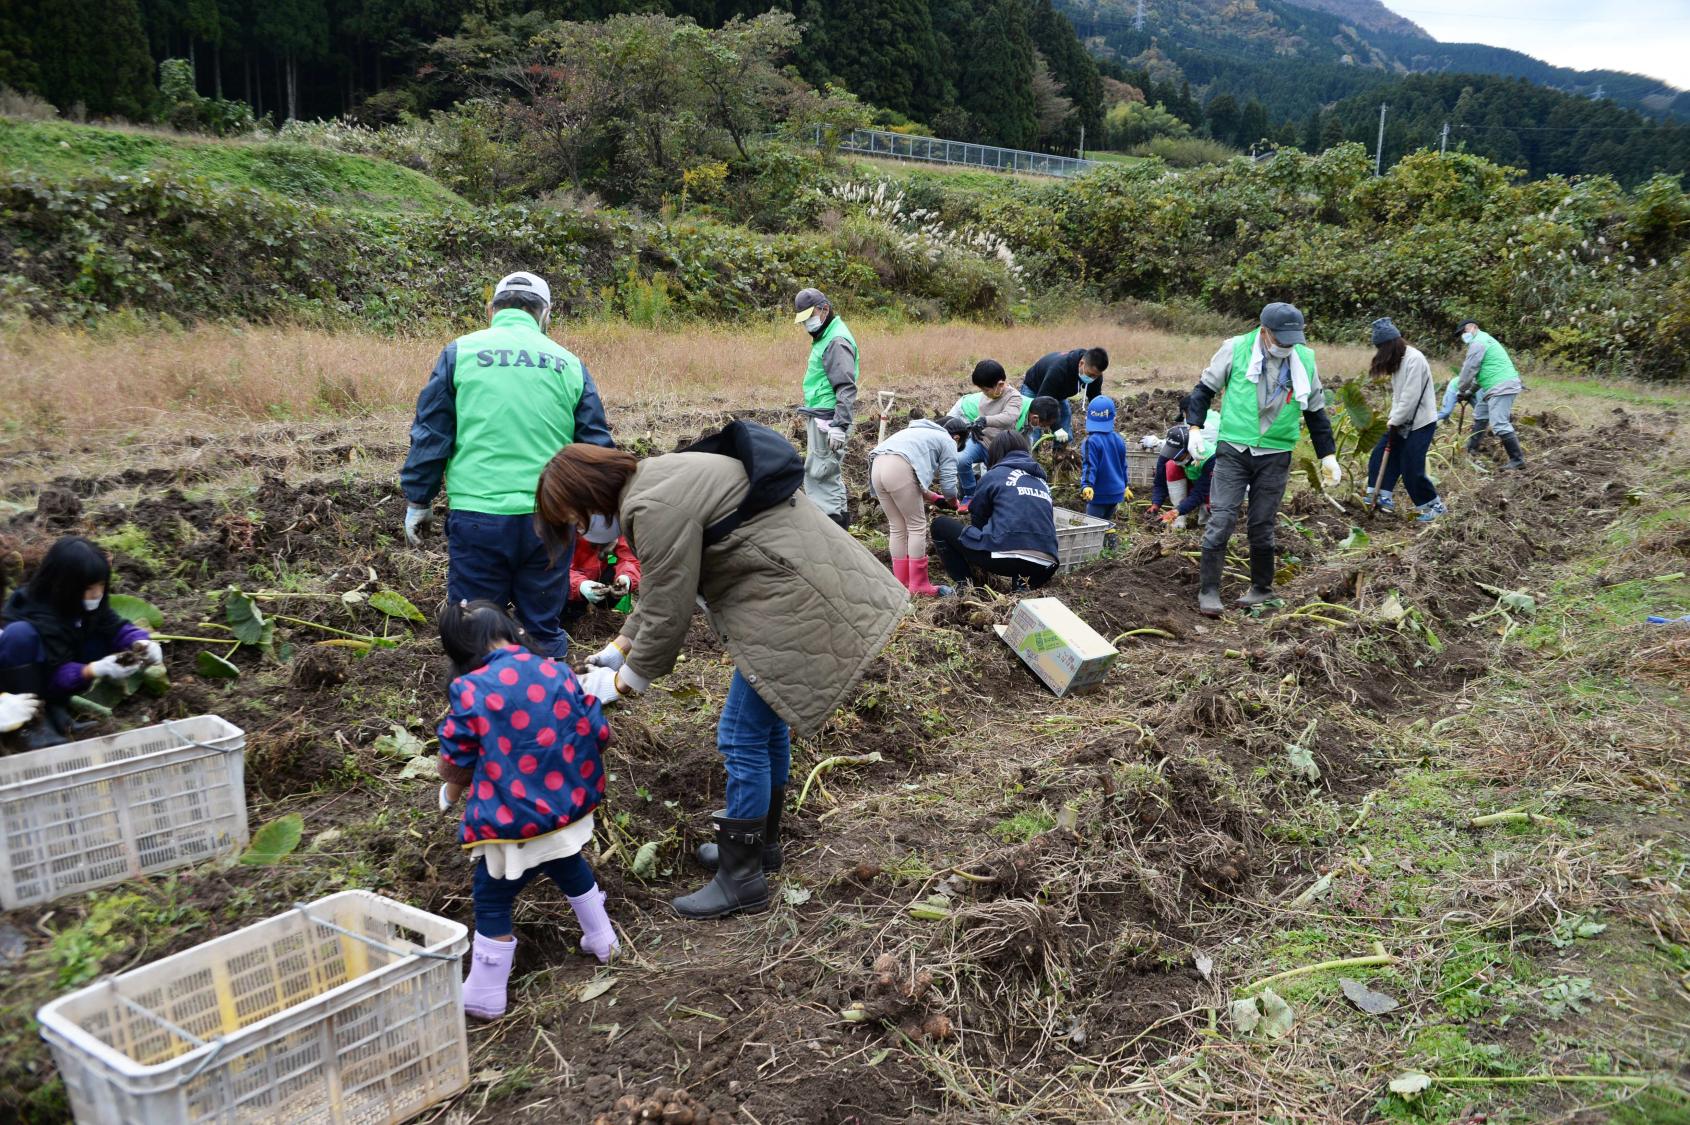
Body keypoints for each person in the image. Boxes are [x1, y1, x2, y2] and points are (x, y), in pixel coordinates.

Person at [534, 443, 905, 921]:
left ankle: (741, 878)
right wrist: (619, 649)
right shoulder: (656, 479)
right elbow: (667, 582)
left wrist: (623, 684)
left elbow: (670, 609)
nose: (581, 530)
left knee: (740, 735)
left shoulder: (650, 506)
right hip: (793, 587)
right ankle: (760, 849)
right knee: (765, 727)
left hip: (794, 600)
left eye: (575, 518)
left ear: (589, 494)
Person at [400, 272, 614, 659]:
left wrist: (419, 500)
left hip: (479, 516)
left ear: (491, 310)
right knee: (542, 627)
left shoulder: (459, 353)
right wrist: (603, 519)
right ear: (545, 314)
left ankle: (482, 709)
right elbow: (595, 446)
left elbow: (432, 434)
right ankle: (546, 703)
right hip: (549, 520)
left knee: (474, 626)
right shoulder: (568, 364)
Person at [434, 599, 618, 1021]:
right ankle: (604, 939)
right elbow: (596, 728)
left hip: (513, 817)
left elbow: (459, 756)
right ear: (510, 631)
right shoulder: (555, 669)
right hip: (564, 806)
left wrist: (449, 793)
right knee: (568, 863)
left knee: (491, 895)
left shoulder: (471, 688)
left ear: (465, 650)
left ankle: (485, 992)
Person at [1184, 302, 1340, 617]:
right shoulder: (1236, 349)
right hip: (1234, 450)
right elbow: (1203, 391)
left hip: (1276, 454)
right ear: (1264, 331)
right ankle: (1209, 591)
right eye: (1281, 339)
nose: (1287, 345)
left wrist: (1328, 455)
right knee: (1222, 518)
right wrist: (1195, 429)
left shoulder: (1305, 360)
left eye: (1292, 340)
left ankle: (1261, 589)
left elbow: (1315, 412)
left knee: (1262, 525)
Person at [0, 537, 161, 749]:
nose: (96, 595)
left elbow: (114, 626)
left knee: (96, 633)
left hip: (55, 676)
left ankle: (56, 712)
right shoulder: (34, 612)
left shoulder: (78, 604)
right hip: (32, 682)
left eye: (101, 585)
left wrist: (141, 642)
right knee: (19, 635)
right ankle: (32, 725)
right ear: (63, 586)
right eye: (88, 588)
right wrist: (91, 670)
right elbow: (53, 676)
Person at [929, 430, 1060, 593]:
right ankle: (1021, 588)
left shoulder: (994, 475)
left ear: (995, 453)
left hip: (1006, 559)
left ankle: (966, 587)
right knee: (1019, 538)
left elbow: (978, 519)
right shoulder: (1041, 482)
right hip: (1046, 563)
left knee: (940, 525)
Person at [870, 415, 968, 596]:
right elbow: (948, 485)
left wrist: (934, 498)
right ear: (957, 438)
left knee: (897, 527)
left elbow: (911, 482)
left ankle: (901, 584)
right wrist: (953, 502)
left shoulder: (915, 432)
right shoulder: (948, 440)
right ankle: (919, 585)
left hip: (877, 466)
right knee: (916, 526)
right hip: (898, 467)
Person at [1362, 318, 1446, 522]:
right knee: (1379, 453)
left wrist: (1395, 420)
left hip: (1420, 422)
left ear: (1390, 344)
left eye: (1382, 348)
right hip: (1402, 420)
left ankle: (1434, 508)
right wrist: (1393, 417)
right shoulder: (1398, 360)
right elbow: (1397, 396)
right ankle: (1380, 495)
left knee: (1411, 466)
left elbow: (1411, 396)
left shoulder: (1414, 359)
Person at [793, 288, 860, 528]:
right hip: (824, 416)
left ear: (824, 309)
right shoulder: (826, 336)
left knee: (819, 476)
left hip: (828, 420)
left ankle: (829, 536)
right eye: (803, 320)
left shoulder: (835, 341)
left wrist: (839, 425)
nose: (807, 324)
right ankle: (841, 531)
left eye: (811, 316)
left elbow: (846, 387)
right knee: (828, 474)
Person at [946, 360, 1029, 499]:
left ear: (1000, 384)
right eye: (982, 389)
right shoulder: (988, 394)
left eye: (986, 389)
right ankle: (970, 494)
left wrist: (985, 420)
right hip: (980, 440)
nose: (983, 393)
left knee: (995, 477)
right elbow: (982, 414)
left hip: (999, 447)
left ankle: (994, 499)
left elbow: (1009, 417)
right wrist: (975, 426)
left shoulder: (1014, 397)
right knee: (961, 460)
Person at [1454, 318, 1526, 469]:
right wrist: (1469, 392)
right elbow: (1481, 374)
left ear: (1473, 327)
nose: (1463, 335)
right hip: (1496, 385)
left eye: (1463, 331)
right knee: (1481, 414)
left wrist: (1461, 390)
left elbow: (1469, 369)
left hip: (1501, 386)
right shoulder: (1485, 340)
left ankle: (1517, 460)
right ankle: (1471, 448)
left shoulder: (1478, 343)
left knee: (1499, 423)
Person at [1149, 398, 1218, 530]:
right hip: (1191, 481)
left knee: (1210, 506)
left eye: (1179, 455)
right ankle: (1179, 522)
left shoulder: (1210, 457)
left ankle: (1205, 525)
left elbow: (1200, 492)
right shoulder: (1169, 449)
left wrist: (1177, 511)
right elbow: (1159, 481)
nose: (1175, 458)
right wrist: (1156, 503)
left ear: (1190, 448)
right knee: (1170, 466)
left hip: (1209, 486)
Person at [1021, 346, 1107, 443]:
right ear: (1081, 364)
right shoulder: (1059, 369)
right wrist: (1056, 428)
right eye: (1090, 375)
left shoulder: (1095, 374)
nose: (1092, 378)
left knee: (1065, 415)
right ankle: (1030, 455)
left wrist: (1101, 421)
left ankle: (1061, 451)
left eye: (1096, 376)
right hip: (1034, 387)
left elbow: (1094, 398)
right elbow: (1044, 397)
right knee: (1034, 427)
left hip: (1058, 392)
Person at [566, 515, 639, 623]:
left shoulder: (613, 519)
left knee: (614, 581)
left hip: (597, 579)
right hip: (566, 586)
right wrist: (580, 586)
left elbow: (628, 557)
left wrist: (627, 577)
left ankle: (597, 611)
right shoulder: (563, 526)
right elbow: (553, 570)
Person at [1078, 395, 1130, 521]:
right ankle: (1108, 538)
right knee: (1106, 523)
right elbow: (1123, 465)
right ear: (1113, 418)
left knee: (1093, 527)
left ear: (1089, 417)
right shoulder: (1119, 439)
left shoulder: (1091, 441)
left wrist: (1087, 485)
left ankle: (1098, 540)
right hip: (1116, 493)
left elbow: (1090, 466)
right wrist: (1125, 486)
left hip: (1098, 494)